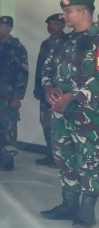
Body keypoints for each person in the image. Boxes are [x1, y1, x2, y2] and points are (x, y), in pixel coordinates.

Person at [40, 0, 98, 228]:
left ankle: (86, 211)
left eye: (68, 12)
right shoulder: (62, 41)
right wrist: (48, 88)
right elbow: (48, 68)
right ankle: (69, 205)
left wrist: (73, 96)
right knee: (64, 158)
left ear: (84, 12)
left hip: (89, 114)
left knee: (89, 160)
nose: (64, 17)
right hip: (61, 113)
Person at [0, 16, 29, 171]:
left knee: (8, 128)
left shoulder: (17, 47)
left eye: (0, 26)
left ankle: (8, 159)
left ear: (9, 28)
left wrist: (17, 96)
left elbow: (23, 73)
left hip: (9, 96)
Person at [33, 14, 65, 167]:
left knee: (60, 126)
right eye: (49, 24)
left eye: (55, 23)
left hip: (61, 92)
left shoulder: (68, 42)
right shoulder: (45, 44)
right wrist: (37, 87)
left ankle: (60, 158)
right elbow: (40, 67)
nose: (51, 26)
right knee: (46, 123)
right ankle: (51, 155)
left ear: (63, 25)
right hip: (46, 91)